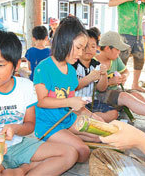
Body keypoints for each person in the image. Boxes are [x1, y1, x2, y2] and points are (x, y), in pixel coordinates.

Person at [0, 28, 77, 175]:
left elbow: (30, 126)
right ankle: (24, 169)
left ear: (16, 65)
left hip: (20, 145)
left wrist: (15, 129)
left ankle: (20, 171)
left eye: (0, 65)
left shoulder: (26, 86)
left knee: (69, 153)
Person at [33, 16, 100, 163]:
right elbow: (41, 102)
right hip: (48, 125)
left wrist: (94, 118)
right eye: (78, 48)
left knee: (99, 136)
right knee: (83, 151)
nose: (80, 53)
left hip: (66, 119)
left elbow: (73, 105)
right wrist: (70, 101)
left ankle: (68, 138)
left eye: (82, 49)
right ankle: (58, 142)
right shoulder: (44, 68)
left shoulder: (70, 71)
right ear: (64, 41)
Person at [109, 0, 145, 93]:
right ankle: (118, 85)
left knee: (139, 59)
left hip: (139, 34)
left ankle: (135, 84)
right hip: (125, 33)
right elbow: (111, 3)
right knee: (122, 60)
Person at [95, 31, 145, 118]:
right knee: (125, 96)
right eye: (117, 49)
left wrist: (124, 77)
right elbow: (93, 87)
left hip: (116, 91)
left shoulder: (115, 58)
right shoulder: (94, 62)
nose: (119, 52)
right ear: (107, 48)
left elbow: (125, 71)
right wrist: (110, 82)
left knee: (136, 95)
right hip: (99, 96)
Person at [73, 29, 118, 123]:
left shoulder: (96, 64)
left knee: (114, 113)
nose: (89, 49)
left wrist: (104, 75)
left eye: (93, 46)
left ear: (96, 48)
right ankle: (87, 119)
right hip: (74, 103)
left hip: (90, 102)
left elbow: (101, 88)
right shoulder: (73, 64)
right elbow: (73, 87)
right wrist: (89, 78)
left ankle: (87, 119)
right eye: (85, 46)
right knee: (74, 112)